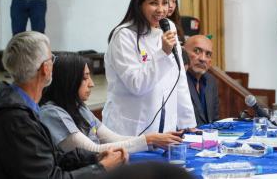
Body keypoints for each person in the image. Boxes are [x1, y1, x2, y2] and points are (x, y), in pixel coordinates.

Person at [0, 31, 127, 178]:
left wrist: (94, 158)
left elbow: (50, 157)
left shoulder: (17, 107)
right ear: (45, 68)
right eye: (51, 59)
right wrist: (101, 168)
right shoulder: (15, 120)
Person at [103, 0, 197, 136]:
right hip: (128, 130)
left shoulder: (169, 27)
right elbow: (136, 84)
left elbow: (179, 78)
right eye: (153, 3)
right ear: (139, 4)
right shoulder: (124, 35)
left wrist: (188, 123)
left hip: (164, 128)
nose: (161, 9)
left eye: (165, 3)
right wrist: (163, 53)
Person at [40, 53, 183, 153]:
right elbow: (92, 150)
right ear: (67, 81)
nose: (91, 84)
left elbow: (112, 139)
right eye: (85, 78)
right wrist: (148, 140)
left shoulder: (79, 107)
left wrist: (154, 141)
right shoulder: (52, 113)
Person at [184, 35, 219, 126]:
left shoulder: (211, 81)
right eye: (197, 51)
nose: (203, 58)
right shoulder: (177, 80)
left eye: (208, 54)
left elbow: (214, 119)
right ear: (183, 53)